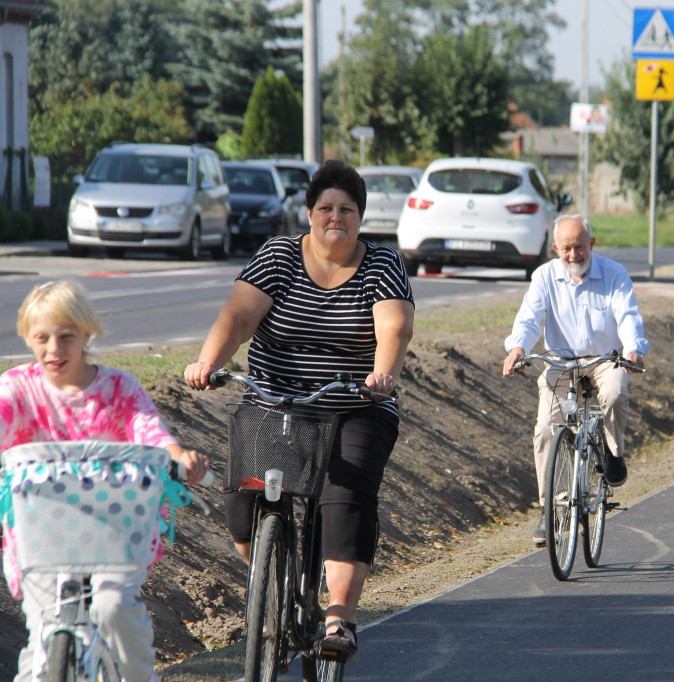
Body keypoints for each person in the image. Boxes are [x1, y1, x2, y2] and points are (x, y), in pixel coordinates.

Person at [184, 160, 415, 661]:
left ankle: (339, 618)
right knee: (242, 510)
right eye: (326, 208)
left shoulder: (382, 265)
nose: (336, 217)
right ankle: (276, 584)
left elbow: (393, 329)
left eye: (347, 210)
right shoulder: (279, 256)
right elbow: (239, 316)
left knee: (345, 499)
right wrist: (208, 362)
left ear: (360, 218)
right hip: (276, 399)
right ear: (309, 213)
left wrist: (382, 375)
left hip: (356, 404)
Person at [0, 281, 210, 682]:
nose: (53, 349)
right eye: (42, 338)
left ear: (86, 335)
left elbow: (151, 434)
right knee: (41, 636)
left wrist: (181, 459)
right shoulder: (16, 388)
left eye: (66, 337)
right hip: (40, 535)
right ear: (26, 336)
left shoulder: (119, 389)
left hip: (112, 534)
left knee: (113, 607)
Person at [501, 215, 648, 545]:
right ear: (556, 248)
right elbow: (528, 318)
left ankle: (613, 451)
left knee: (614, 393)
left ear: (591, 245)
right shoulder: (544, 277)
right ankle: (550, 509)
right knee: (544, 430)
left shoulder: (614, 274)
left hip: (605, 359)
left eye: (579, 247)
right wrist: (518, 349)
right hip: (559, 363)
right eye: (566, 248)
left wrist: (633, 350)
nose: (573, 254)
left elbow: (628, 317)